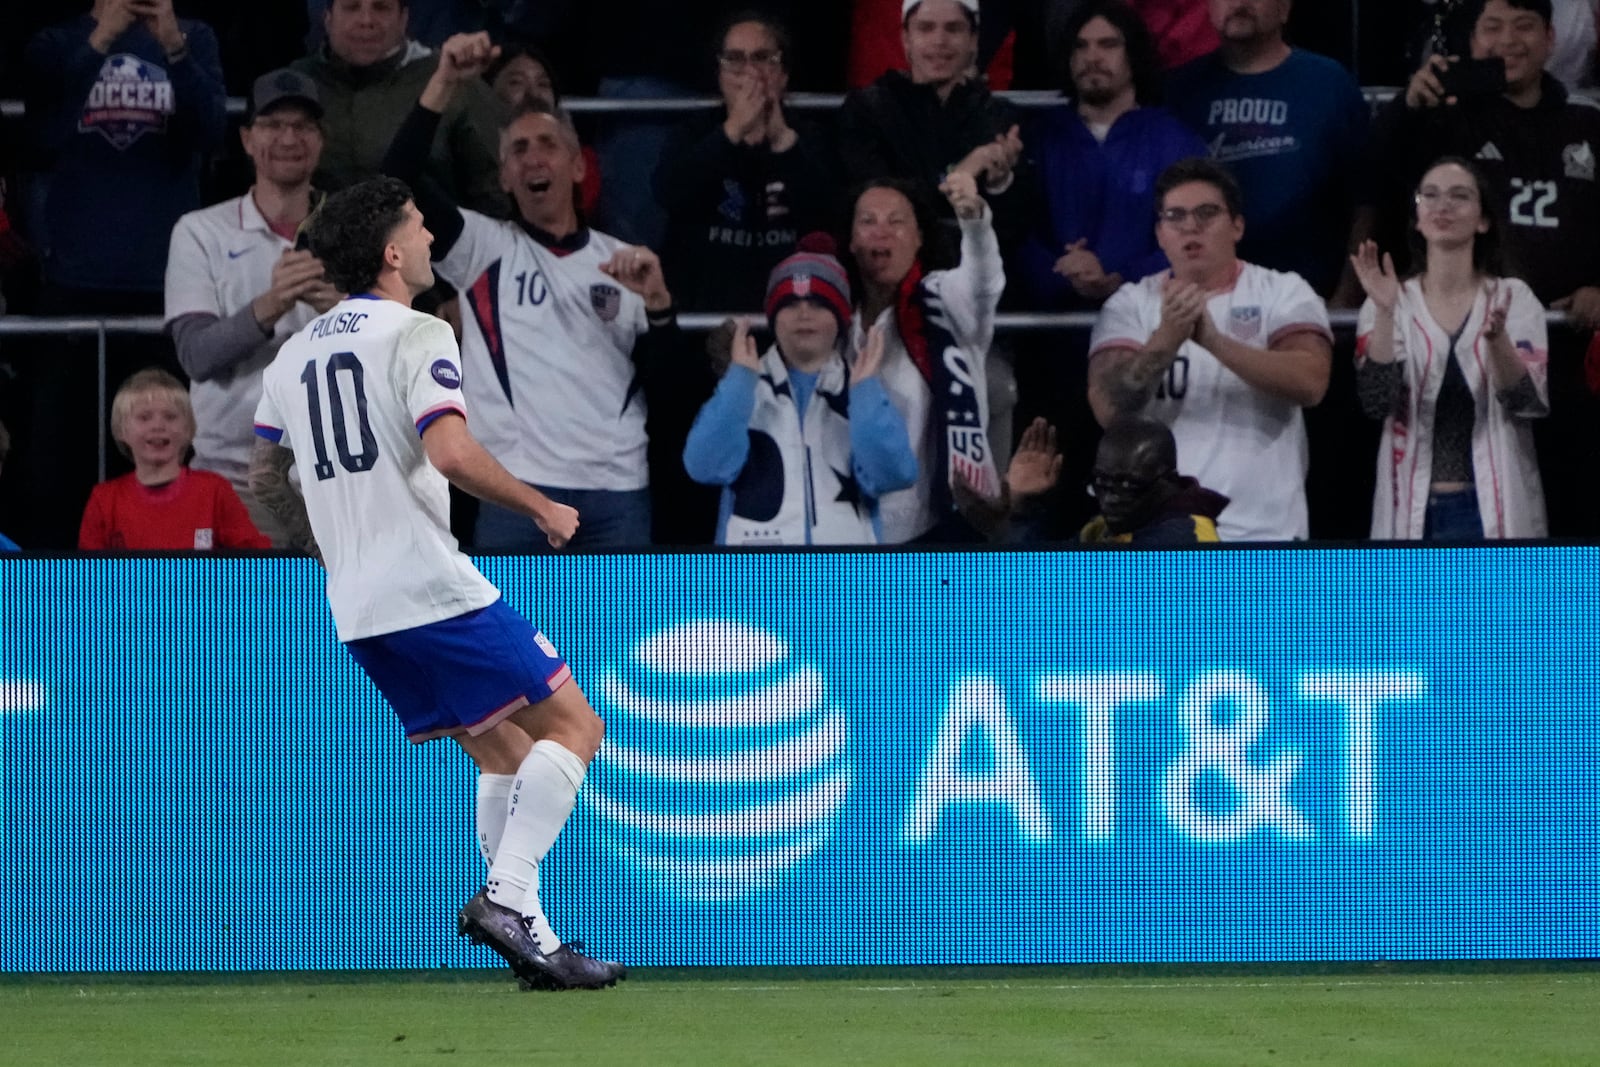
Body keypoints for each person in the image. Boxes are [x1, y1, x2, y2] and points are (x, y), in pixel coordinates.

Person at [247, 176, 624, 991]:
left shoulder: (293, 355)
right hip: (429, 584)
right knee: (577, 726)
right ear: (390, 251)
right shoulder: (416, 333)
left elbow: (265, 473)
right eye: (418, 227)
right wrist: (542, 506)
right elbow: (450, 454)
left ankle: (539, 943)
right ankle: (507, 896)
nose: (427, 240)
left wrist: (329, 543)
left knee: (503, 748)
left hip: (357, 604)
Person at [383, 32, 698, 549]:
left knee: (621, 633)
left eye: (547, 144)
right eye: (519, 150)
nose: (533, 158)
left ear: (577, 167)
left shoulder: (624, 262)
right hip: (516, 492)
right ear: (505, 176)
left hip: (616, 491)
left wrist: (661, 308)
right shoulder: (480, 249)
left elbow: (675, 394)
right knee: (514, 635)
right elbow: (394, 180)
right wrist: (443, 82)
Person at [1374, 0, 1600, 536]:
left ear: (1551, 38)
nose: (1508, 41)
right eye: (1492, 28)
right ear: (1470, 42)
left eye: (1524, 26)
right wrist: (1408, 107)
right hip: (1473, 361)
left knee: (1576, 516)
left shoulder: (1588, 125)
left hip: (1572, 356)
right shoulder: (1442, 124)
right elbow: (1375, 185)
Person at [1088, 157, 1333, 541]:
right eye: (1175, 216)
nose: (1191, 226)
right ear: (1160, 233)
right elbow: (1107, 408)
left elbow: (1311, 381)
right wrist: (1166, 340)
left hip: (1265, 533)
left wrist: (1214, 342)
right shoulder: (1130, 304)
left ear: (1237, 225)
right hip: (1161, 536)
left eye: (1207, 213)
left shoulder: (1283, 291)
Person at [165, 70, 342, 546]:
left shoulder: (356, 230)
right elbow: (197, 355)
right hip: (233, 481)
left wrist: (345, 311)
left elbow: (400, 348)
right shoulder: (201, 231)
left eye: (303, 126)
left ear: (321, 141)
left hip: (340, 480)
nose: (289, 138)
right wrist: (273, 303)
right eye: (273, 124)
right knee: (235, 620)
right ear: (247, 139)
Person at [1349, 158, 1549, 540]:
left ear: (1483, 220)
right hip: (1413, 511)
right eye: (1431, 196)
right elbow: (1376, 403)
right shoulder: (1389, 299)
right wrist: (1387, 313)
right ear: (1417, 216)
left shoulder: (1514, 298)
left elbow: (1527, 403)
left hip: (1492, 508)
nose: (1443, 206)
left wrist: (1497, 342)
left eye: (1460, 196)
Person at [683, 237, 918, 544]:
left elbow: (892, 475)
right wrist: (739, 382)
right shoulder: (743, 387)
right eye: (791, 303)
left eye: (819, 304)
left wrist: (866, 395)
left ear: (840, 318)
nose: (804, 314)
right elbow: (703, 466)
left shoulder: (861, 388)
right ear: (773, 317)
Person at [1165, 0, 1371, 300]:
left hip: (1309, 300)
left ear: (1285, 8)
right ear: (1208, 8)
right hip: (1201, 302)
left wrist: (1346, 296)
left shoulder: (1330, 84)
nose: (1239, 3)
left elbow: (1366, 203)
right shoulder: (1179, 91)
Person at [1017, 0, 1208, 310]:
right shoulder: (1037, 139)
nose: (1092, 57)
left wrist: (1120, 279)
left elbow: (1197, 239)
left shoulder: (1177, 142)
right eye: (1080, 46)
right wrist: (1064, 274)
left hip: (1147, 333)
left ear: (1133, 55)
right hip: (1050, 337)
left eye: (1108, 45)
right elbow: (1018, 236)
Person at [847, 171, 1004, 543]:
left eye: (896, 221)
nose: (881, 231)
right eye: (867, 221)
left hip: (938, 526)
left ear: (919, 238)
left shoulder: (947, 301)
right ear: (852, 240)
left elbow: (984, 283)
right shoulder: (829, 315)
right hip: (845, 528)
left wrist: (976, 223)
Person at [654, 12, 840, 313]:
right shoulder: (694, 132)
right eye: (735, 59)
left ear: (783, 74)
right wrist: (733, 131)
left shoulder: (812, 136)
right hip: (707, 314)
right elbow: (670, 194)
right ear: (720, 75)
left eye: (763, 58)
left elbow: (829, 212)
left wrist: (782, 142)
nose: (751, 72)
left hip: (796, 312)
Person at [838, 0, 1031, 249]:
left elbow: (1016, 226)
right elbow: (885, 207)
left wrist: (999, 184)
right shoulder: (867, 112)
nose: (940, 41)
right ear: (906, 38)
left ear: (973, 40)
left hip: (980, 269)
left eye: (953, 29)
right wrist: (963, 172)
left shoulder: (999, 117)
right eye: (926, 28)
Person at [292, 0, 504, 215]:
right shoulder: (294, 85)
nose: (366, 21)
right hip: (311, 243)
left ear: (404, 19)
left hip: (433, 243)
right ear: (327, 18)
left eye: (381, 7)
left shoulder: (453, 79)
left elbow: (495, 188)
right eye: (351, 7)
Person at [78, 369, 270, 551]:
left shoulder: (215, 491)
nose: (158, 426)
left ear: (189, 429)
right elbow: (88, 579)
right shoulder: (104, 500)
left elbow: (257, 565)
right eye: (144, 418)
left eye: (170, 417)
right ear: (121, 430)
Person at [483, 42, 600, 218]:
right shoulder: (470, 156)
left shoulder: (579, 161)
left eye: (543, 84)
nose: (533, 93)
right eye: (516, 83)